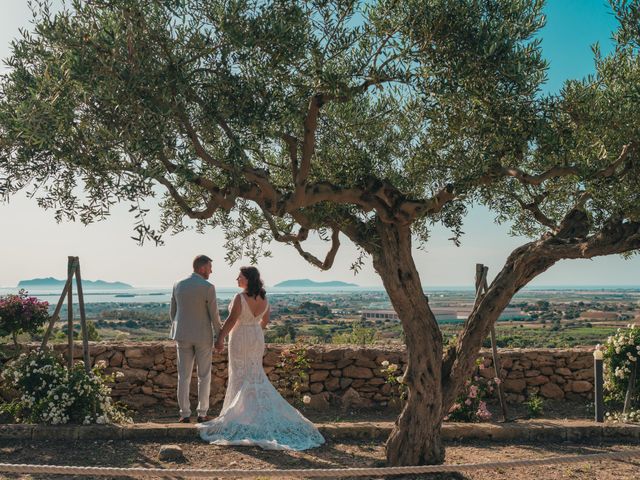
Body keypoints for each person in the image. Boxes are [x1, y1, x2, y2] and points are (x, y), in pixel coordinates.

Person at [198, 266, 325, 450]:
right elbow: (265, 322)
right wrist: (254, 328)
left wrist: (220, 339)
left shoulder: (240, 297)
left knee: (240, 375)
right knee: (254, 375)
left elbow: (232, 320)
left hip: (240, 337)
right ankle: (248, 415)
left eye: (240, 276)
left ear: (248, 279)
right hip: (256, 337)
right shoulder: (264, 298)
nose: (237, 279)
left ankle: (240, 416)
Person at [170, 255, 222, 423]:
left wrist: (178, 327)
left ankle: (184, 414)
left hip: (182, 335)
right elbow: (214, 315)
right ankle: (202, 413)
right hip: (202, 336)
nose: (211, 271)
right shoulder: (208, 287)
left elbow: (173, 312)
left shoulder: (178, 284)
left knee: (183, 376)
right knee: (204, 376)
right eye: (209, 268)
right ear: (202, 268)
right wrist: (220, 335)